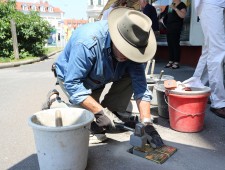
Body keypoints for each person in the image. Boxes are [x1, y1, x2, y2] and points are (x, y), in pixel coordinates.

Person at [43, 7, 164, 147]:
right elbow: (73, 84)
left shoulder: (136, 45)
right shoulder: (86, 42)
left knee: (107, 120)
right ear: (115, 37)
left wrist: (147, 123)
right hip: (74, 79)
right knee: (87, 125)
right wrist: (99, 112)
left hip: (99, 78)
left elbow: (140, 87)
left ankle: (110, 114)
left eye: (131, 52)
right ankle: (54, 101)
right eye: (125, 49)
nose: (128, 55)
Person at [193, 0, 225, 118]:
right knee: (217, 50)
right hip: (212, 3)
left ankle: (198, 87)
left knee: (210, 49)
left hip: (214, 4)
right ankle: (218, 101)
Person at [160, 0, 187, 69]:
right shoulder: (170, 5)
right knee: (170, 44)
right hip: (169, 27)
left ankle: (176, 62)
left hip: (176, 27)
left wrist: (175, 8)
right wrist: (162, 17)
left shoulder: (181, 5)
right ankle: (171, 61)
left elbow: (182, 15)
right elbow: (167, 14)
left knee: (175, 44)